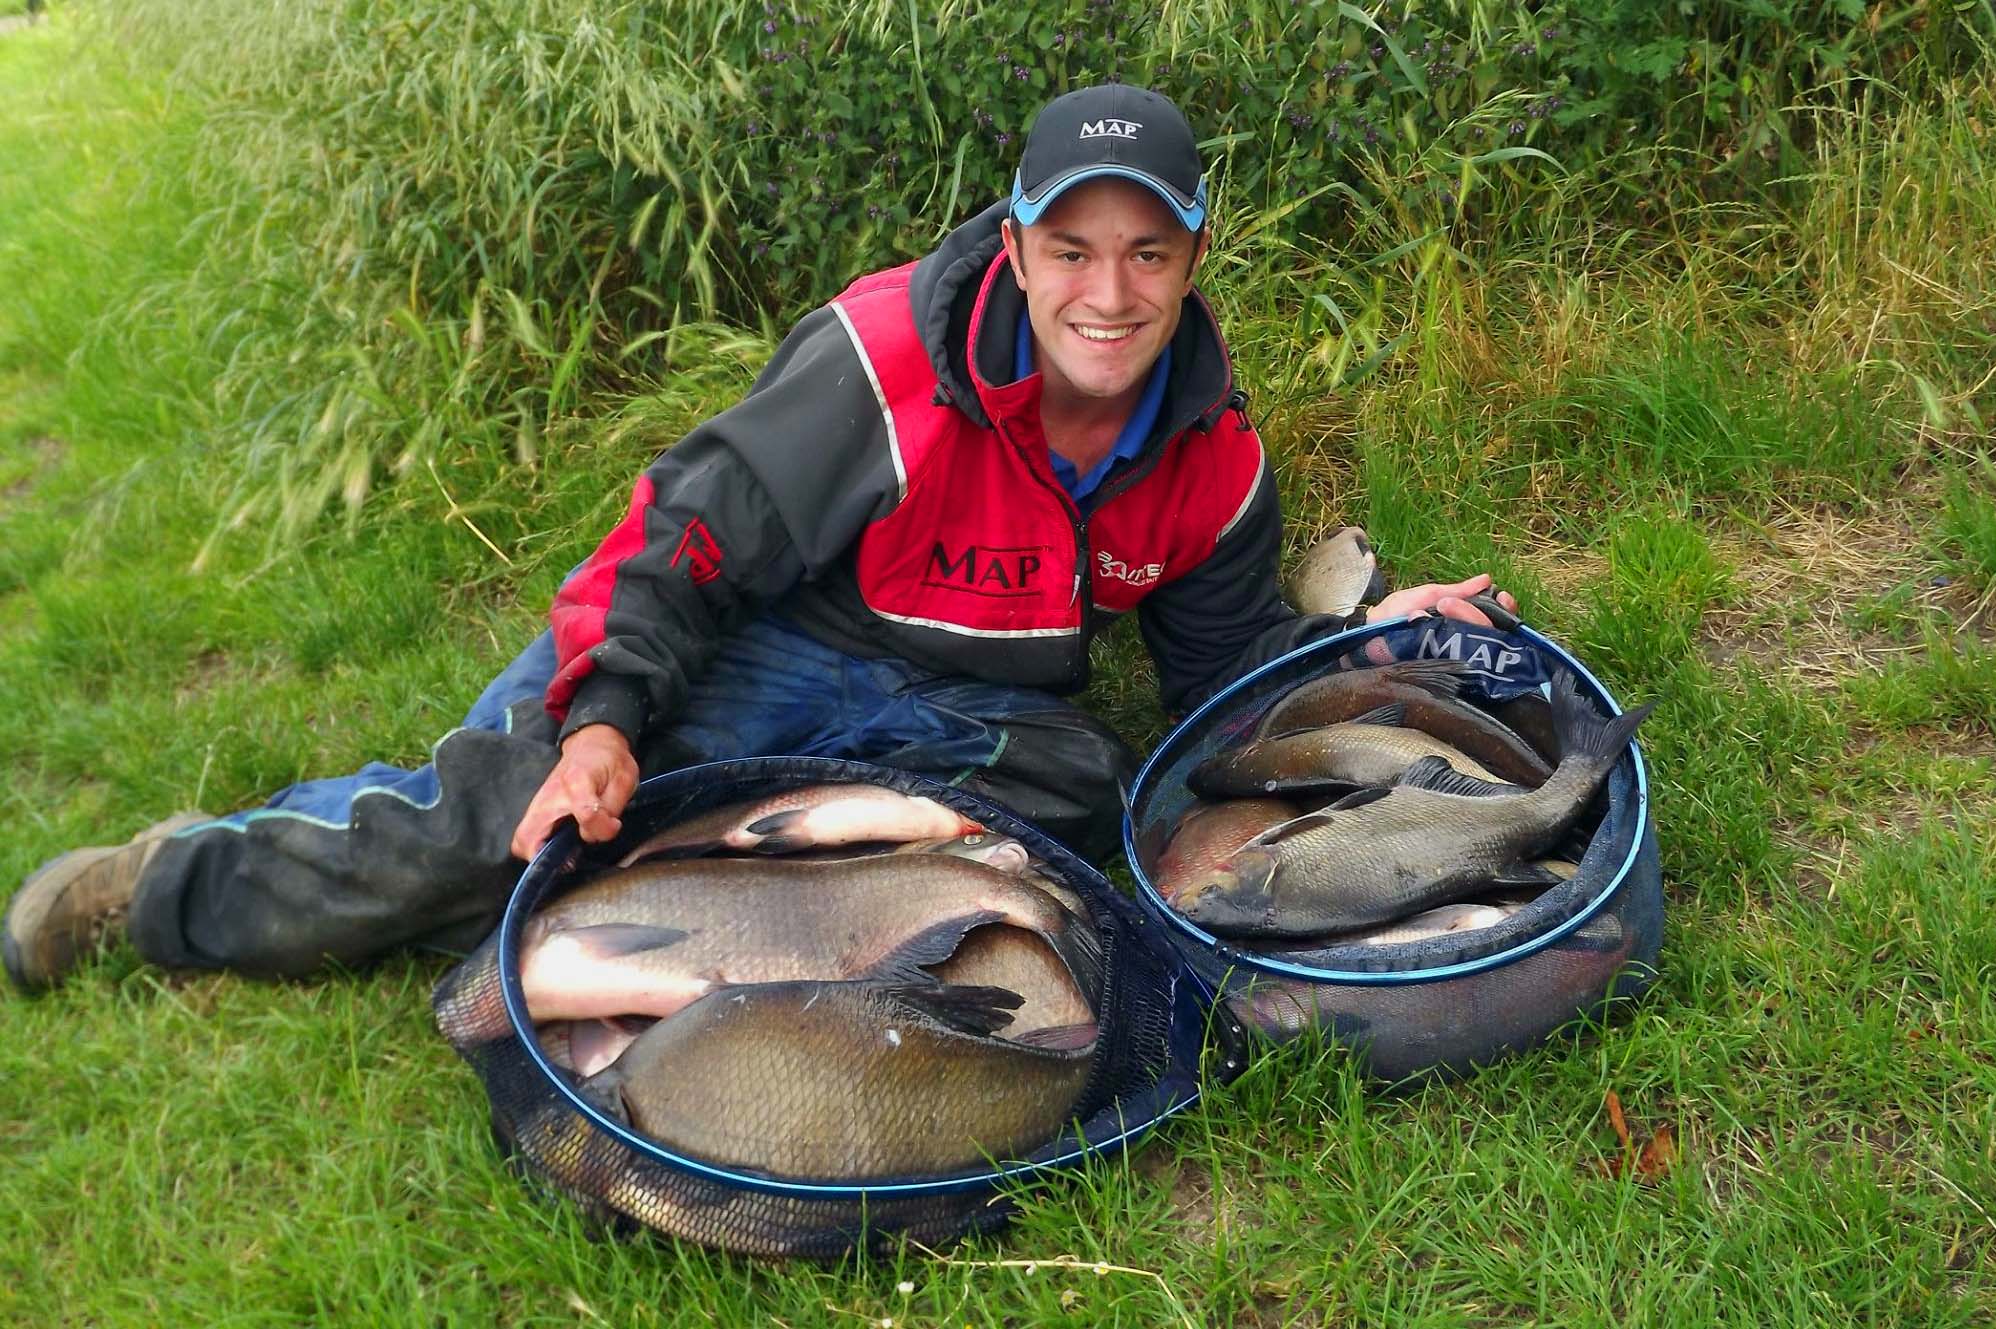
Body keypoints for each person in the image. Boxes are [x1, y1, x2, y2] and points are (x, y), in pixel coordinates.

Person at [3, 83, 1513, 993]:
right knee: (499, 831)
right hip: (762, 644)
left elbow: (1224, 678)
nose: (1106, 294)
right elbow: (679, 543)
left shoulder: (1213, 460)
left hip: (971, 715)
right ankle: (159, 888)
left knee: (1089, 799)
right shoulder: (881, 365)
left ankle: (730, 878)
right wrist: (603, 721)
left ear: (1193, 257)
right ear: (1017, 245)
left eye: (1147, 253)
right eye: (1071, 249)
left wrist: (1375, 646)